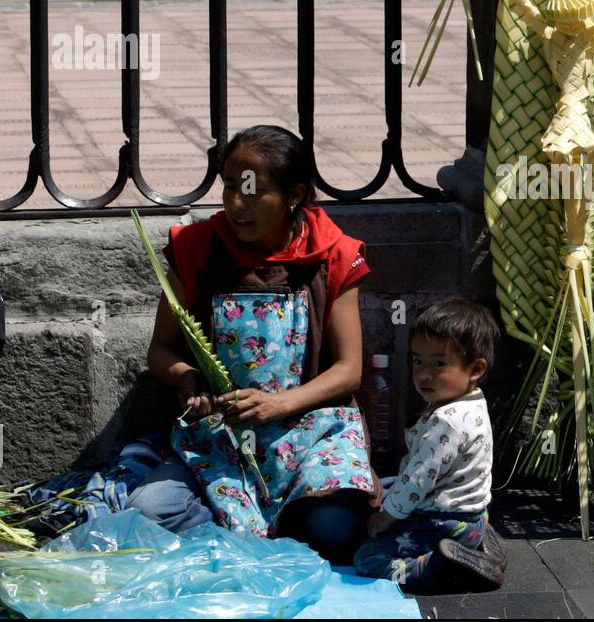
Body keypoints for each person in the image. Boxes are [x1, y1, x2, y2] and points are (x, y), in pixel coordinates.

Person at [128, 124, 377, 563]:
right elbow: (161, 350)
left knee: (336, 529)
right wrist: (186, 379)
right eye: (229, 188)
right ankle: (251, 523)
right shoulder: (197, 248)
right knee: (149, 512)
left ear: (295, 195)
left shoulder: (332, 253)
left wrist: (281, 405)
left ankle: (282, 515)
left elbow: (349, 370)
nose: (236, 204)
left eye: (253, 191)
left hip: (309, 429)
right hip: (221, 436)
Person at [353, 298, 505, 593]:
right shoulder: (473, 401)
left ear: (475, 369)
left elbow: (416, 482)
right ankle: (478, 543)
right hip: (473, 514)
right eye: (418, 361)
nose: (424, 373)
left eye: (439, 363)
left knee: (367, 556)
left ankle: (433, 567)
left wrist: (383, 519)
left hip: (442, 521)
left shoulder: (444, 423)